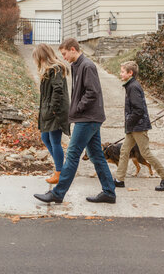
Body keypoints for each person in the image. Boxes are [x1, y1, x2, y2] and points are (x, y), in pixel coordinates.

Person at [34, 38, 116, 204]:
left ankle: (58, 193)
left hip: (88, 117)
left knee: (72, 154)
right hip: (87, 117)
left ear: (73, 49)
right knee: (96, 156)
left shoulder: (88, 66)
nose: (63, 57)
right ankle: (109, 192)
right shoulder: (77, 65)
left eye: (64, 53)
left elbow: (92, 92)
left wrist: (77, 108)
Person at [114, 61, 164, 191]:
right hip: (133, 126)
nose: (120, 74)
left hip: (138, 126)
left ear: (130, 73)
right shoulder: (130, 85)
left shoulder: (133, 87)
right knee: (124, 151)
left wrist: (129, 121)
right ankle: (119, 179)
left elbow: (138, 109)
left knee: (145, 153)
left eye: (122, 71)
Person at [32, 44, 70, 184]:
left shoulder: (56, 69)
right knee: (45, 138)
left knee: (54, 141)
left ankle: (59, 172)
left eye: (37, 57)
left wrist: (52, 109)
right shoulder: (50, 70)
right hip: (48, 111)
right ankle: (63, 168)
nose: (36, 61)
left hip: (56, 112)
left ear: (42, 56)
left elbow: (58, 91)